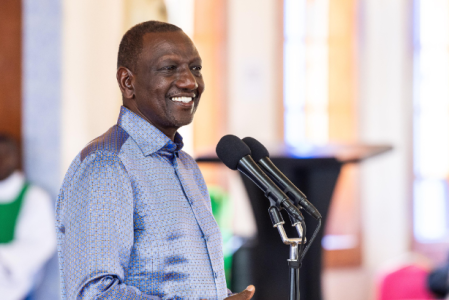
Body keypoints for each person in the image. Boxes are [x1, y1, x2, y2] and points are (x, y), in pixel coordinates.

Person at [56, 21, 256, 299]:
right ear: (128, 82)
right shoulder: (106, 165)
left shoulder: (186, 166)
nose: (190, 82)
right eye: (169, 68)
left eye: (195, 68)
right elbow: (95, 294)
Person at [0, 134, 56, 300]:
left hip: (15, 289)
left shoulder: (34, 197)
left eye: (5, 155)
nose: (1, 160)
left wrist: (4, 258)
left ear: (15, 158)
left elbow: (42, 244)